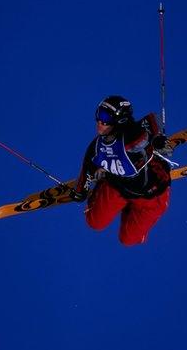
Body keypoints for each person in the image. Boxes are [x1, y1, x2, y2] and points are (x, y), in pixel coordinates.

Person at [70, 95, 173, 246]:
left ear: (120, 120)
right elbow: (86, 171)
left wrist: (158, 140)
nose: (99, 121)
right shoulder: (97, 148)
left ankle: (129, 205)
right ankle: (104, 182)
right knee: (94, 222)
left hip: (150, 196)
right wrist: (80, 191)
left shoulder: (134, 137)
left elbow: (154, 119)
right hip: (118, 187)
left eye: (105, 117)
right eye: (98, 115)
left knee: (128, 239)